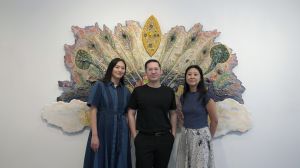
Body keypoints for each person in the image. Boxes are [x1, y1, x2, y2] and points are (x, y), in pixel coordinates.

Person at [127, 59, 177, 168]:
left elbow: (173, 113)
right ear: (146, 72)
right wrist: (135, 136)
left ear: (161, 71)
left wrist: (172, 135)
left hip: (164, 138)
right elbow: (130, 113)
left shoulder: (169, 92)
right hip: (143, 138)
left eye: (156, 69)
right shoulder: (138, 91)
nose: (153, 72)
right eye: (150, 69)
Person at [83, 58, 132, 168]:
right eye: (117, 67)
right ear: (111, 68)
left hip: (121, 133)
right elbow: (93, 110)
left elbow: (128, 114)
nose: (120, 70)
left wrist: (128, 137)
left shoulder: (126, 91)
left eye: (123, 68)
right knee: (100, 161)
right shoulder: (99, 86)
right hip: (103, 131)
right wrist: (95, 136)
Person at [176, 65, 218, 168]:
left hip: (201, 137)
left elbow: (214, 121)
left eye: (195, 74)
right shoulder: (183, 96)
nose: (192, 77)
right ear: (186, 77)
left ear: (200, 77)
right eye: (189, 74)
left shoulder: (206, 96)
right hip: (186, 136)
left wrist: (208, 138)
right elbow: (182, 115)